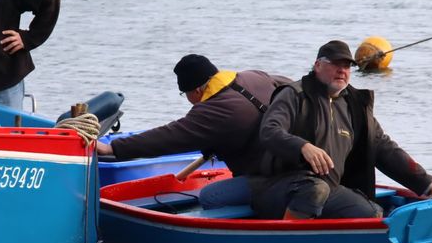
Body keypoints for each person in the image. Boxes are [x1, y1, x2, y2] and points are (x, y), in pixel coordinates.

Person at [252, 40, 432, 219]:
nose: (342, 70)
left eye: (347, 65)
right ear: (317, 65)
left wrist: (429, 186)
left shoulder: (355, 105)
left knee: (372, 214)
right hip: (279, 187)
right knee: (315, 189)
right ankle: (288, 239)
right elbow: (269, 131)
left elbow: (384, 149)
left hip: (329, 189)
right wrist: (302, 146)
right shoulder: (294, 95)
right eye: (335, 64)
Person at [97, 54, 290, 208]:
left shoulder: (213, 110)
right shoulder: (255, 75)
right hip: (293, 162)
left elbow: (168, 137)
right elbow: (293, 87)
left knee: (210, 196)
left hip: (272, 178)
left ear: (196, 91)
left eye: (184, 94)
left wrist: (112, 148)